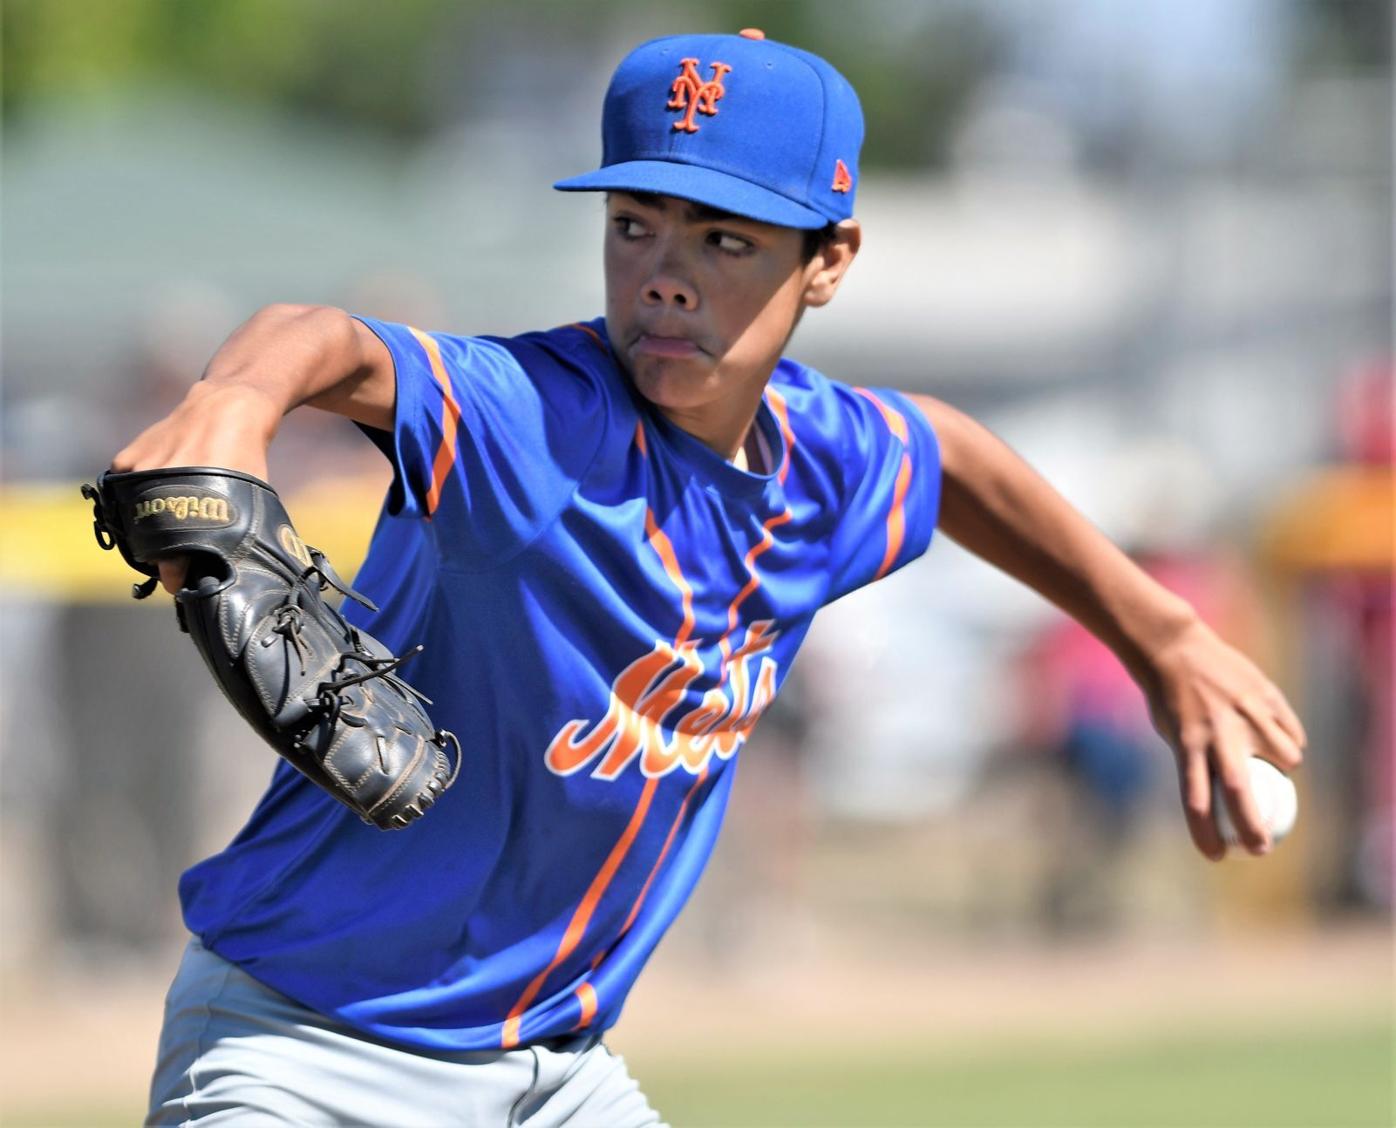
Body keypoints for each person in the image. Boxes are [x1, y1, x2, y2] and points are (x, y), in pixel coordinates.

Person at [114, 29, 1306, 1126]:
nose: (665, 275)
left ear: (827, 260)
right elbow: (329, 338)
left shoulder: (829, 464)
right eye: (636, 222)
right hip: (306, 1054)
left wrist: (1160, 637)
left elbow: (949, 456)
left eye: (724, 239)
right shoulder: (534, 420)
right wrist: (232, 403)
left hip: (555, 1077)